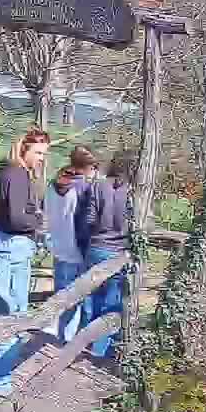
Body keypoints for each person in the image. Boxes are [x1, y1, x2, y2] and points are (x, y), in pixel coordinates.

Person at [0, 128, 51, 395]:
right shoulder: (17, 175)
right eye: (38, 152)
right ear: (24, 149)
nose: (41, 158)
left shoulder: (10, 172)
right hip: (10, 251)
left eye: (44, 154)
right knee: (11, 316)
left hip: (0, 247)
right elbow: (18, 218)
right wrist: (38, 220)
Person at [75, 150, 135, 358]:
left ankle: (83, 345)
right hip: (119, 252)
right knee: (111, 303)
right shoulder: (134, 191)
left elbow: (88, 220)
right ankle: (100, 351)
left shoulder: (98, 185)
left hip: (96, 248)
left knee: (90, 299)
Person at [46, 146, 97, 342]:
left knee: (62, 298)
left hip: (58, 247)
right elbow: (85, 223)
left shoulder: (54, 183)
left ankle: (60, 339)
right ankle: (68, 346)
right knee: (78, 300)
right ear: (86, 168)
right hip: (76, 250)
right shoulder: (83, 188)